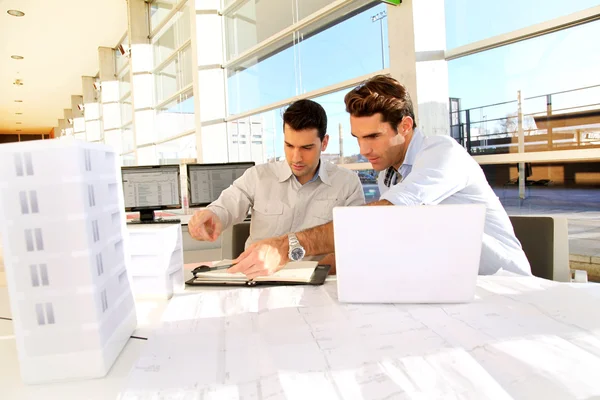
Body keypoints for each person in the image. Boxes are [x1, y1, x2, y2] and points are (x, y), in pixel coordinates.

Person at [229, 75, 531, 279]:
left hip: (502, 287)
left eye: (373, 136)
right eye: (357, 137)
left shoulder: (442, 154)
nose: (364, 149)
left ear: (405, 126)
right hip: (446, 285)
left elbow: (387, 219)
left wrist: (288, 246)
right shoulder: (389, 175)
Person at [188, 99, 365, 265]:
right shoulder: (258, 176)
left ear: (324, 142)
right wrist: (212, 216)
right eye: (289, 145)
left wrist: (314, 270)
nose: (296, 157)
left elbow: (356, 242)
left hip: (318, 281)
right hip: (260, 279)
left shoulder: (347, 183)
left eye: (306, 147)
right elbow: (226, 205)